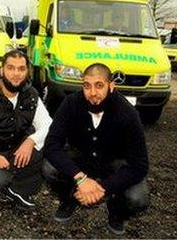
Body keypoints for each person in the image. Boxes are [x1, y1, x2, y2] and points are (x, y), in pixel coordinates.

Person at [42, 63, 150, 235]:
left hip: (113, 164)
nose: (92, 92)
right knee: (49, 168)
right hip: (82, 160)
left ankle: (116, 210)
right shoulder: (71, 103)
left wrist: (102, 188)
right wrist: (81, 179)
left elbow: (140, 165)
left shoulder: (128, 113)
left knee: (138, 198)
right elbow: (51, 146)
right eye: (87, 86)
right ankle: (70, 198)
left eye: (99, 85)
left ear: (111, 86)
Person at [0, 50, 51, 208]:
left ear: (27, 71)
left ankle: (16, 189)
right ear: (2, 70)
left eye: (21, 69)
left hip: (15, 148)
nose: (16, 74)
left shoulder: (31, 94)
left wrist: (30, 141)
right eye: (11, 68)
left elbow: (47, 123)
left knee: (46, 147)